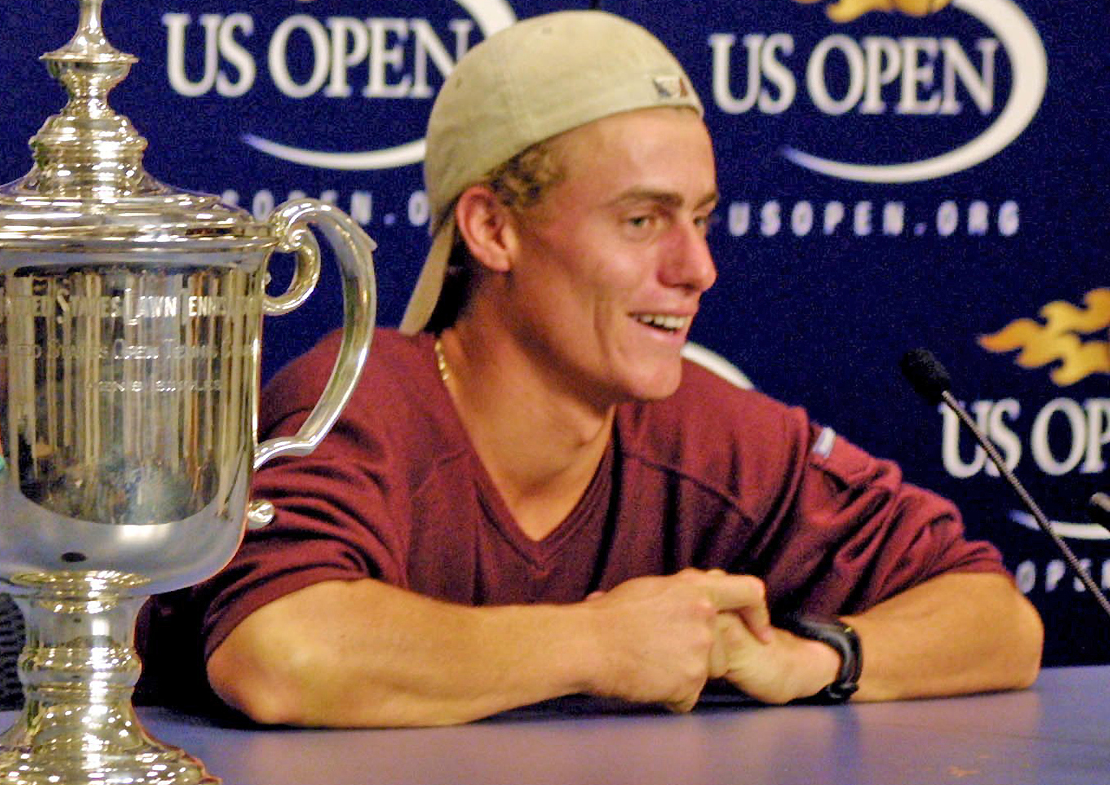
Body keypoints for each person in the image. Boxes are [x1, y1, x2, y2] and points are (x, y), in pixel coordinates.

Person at [146, 9, 1043, 727]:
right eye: (643, 220)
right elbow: (280, 655)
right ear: (493, 229)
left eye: (702, 217)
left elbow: (998, 621)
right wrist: (601, 644)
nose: (698, 269)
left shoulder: (706, 429)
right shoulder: (359, 398)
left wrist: (819, 657)